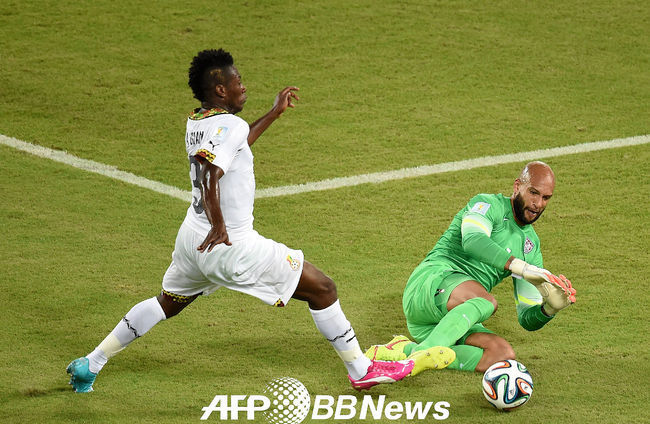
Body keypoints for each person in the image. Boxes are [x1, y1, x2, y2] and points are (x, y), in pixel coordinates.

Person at [66, 48, 422, 393]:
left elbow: (235, 145)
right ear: (221, 89)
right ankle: (361, 370)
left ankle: (91, 363)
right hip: (229, 243)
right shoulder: (230, 125)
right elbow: (211, 173)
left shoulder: (199, 120)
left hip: (192, 239)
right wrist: (220, 225)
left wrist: (272, 114)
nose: (244, 86)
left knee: (166, 303)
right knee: (323, 289)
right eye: (238, 81)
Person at [365, 161, 576, 373]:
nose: (538, 204)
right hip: (429, 284)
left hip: (445, 320)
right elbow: (473, 240)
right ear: (517, 186)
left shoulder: (530, 248)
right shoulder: (488, 205)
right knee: (486, 301)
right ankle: (416, 360)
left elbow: (526, 319)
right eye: (533, 193)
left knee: (501, 355)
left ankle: (404, 350)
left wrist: (549, 309)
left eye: (546, 198)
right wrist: (521, 267)